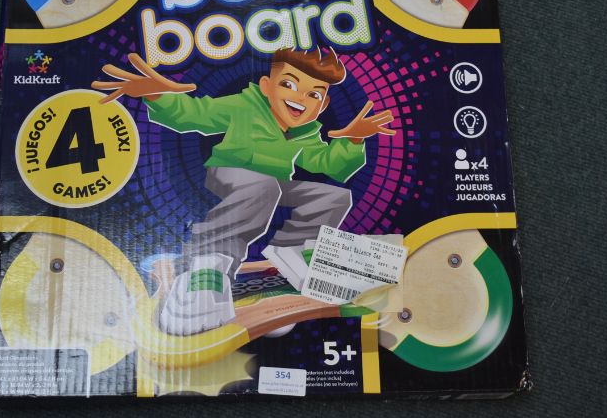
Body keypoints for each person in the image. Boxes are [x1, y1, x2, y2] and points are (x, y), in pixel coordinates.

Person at [93, 47, 396, 335]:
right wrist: (157, 96)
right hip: (229, 172)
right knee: (262, 188)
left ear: (323, 105)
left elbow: (327, 163)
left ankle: (292, 252)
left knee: (333, 197)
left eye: (314, 94)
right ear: (266, 86)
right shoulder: (244, 106)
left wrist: (353, 141)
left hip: (273, 184)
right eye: (289, 85)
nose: (300, 99)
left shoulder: (304, 132)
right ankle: (205, 264)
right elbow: (197, 112)